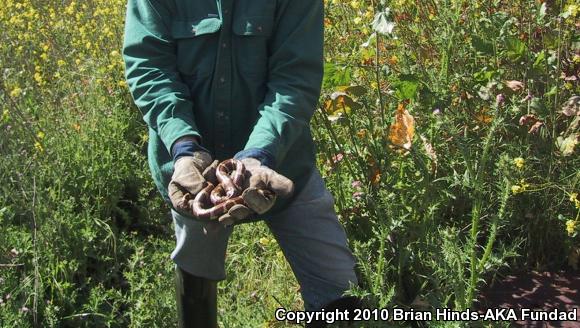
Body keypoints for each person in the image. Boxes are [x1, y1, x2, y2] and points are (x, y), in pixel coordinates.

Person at [122, 0, 359, 326]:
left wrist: (259, 155)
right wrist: (183, 146)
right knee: (195, 276)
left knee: (338, 289)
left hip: (282, 162)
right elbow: (150, 66)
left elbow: (293, 79)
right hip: (193, 172)